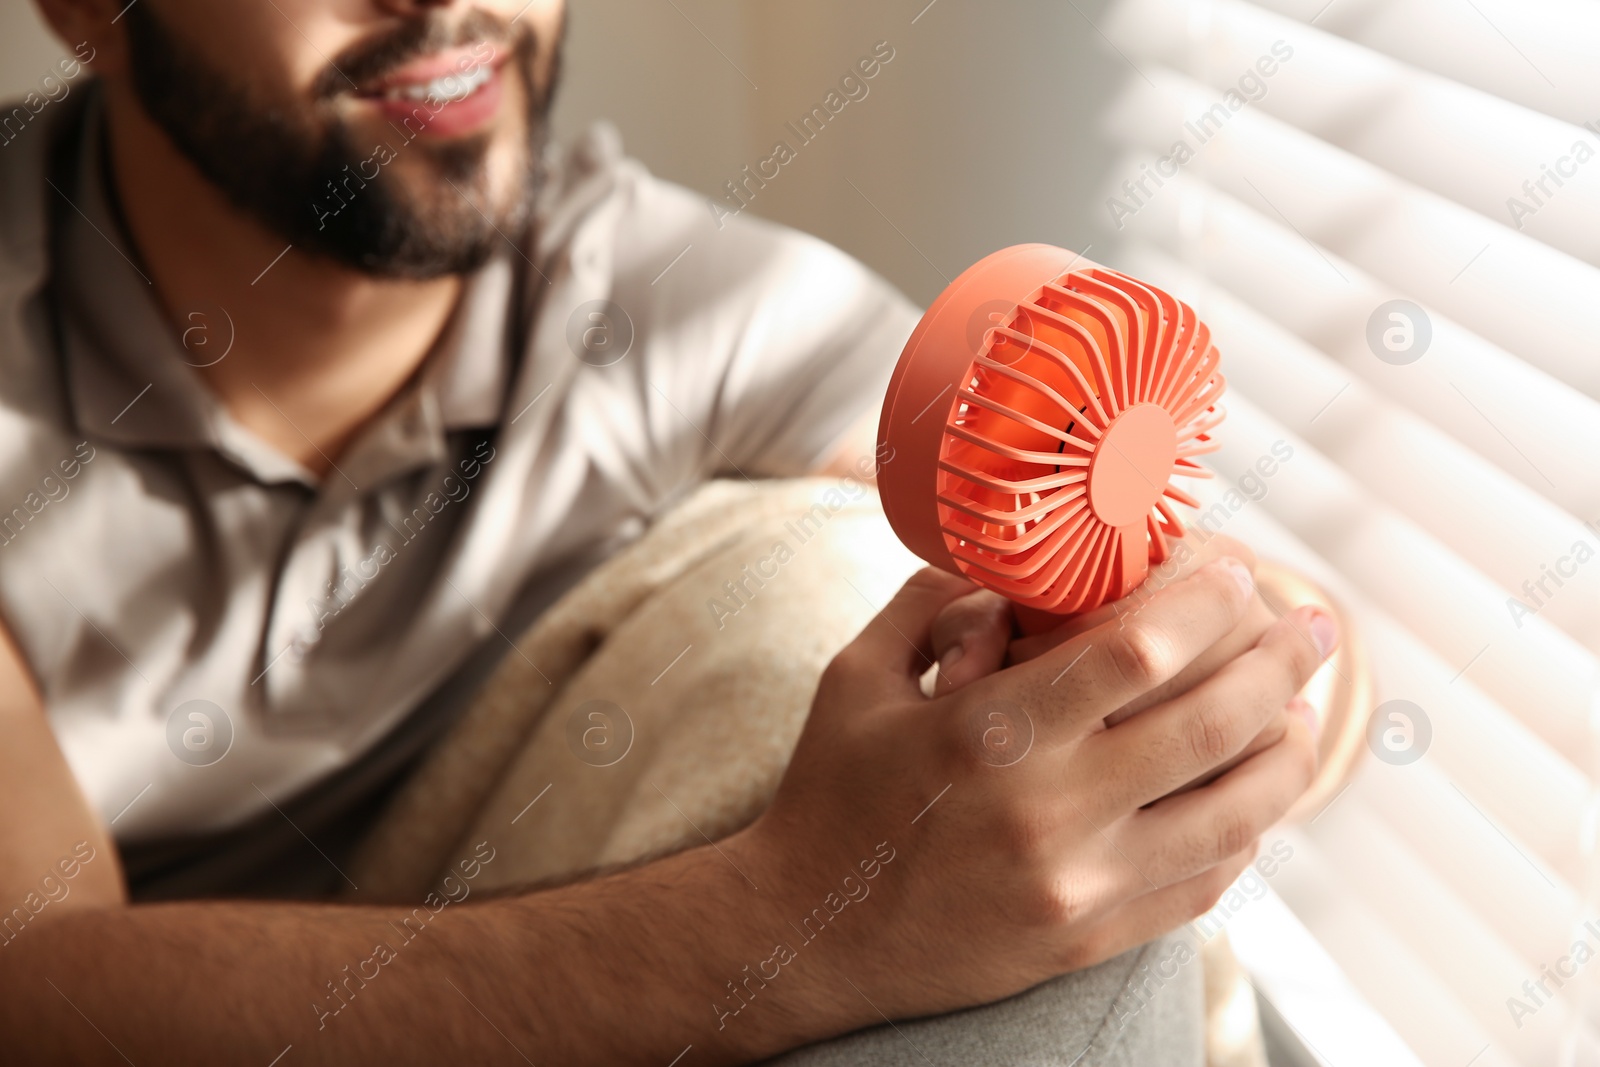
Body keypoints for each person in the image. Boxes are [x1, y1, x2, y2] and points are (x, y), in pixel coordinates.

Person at [0, 0, 1334, 1061]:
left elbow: (1222, 588)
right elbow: (30, 986)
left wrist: (1212, 683)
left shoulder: (678, 308)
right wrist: (796, 918)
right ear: (87, 11)